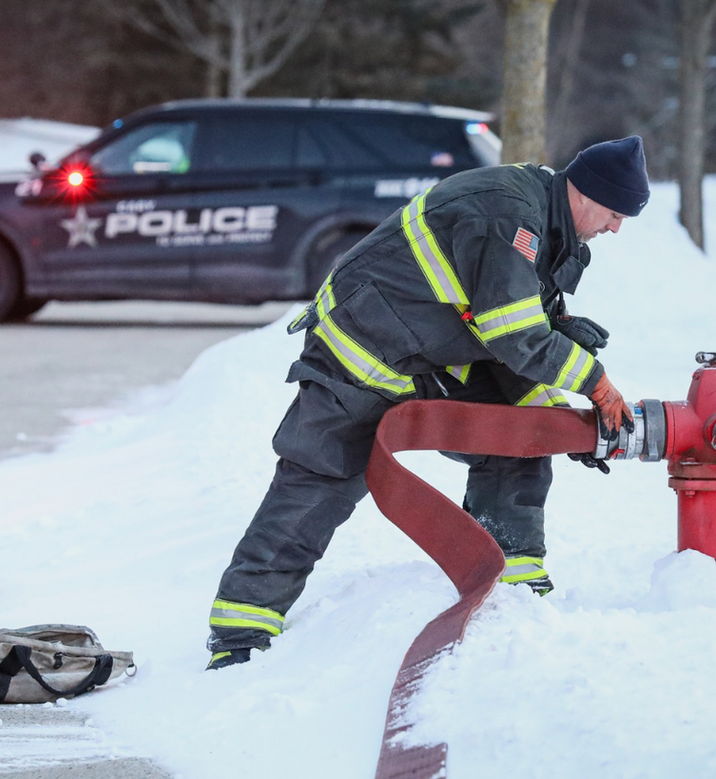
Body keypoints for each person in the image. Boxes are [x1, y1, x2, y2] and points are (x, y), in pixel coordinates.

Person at [206, 136, 650, 670]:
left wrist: (562, 423)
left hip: (435, 351)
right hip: (364, 346)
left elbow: (510, 330)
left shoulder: (545, 220)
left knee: (521, 431)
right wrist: (597, 384)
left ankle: (514, 587)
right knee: (320, 477)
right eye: (616, 212)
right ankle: (241, 629)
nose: (617, 227)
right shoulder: (509, 214)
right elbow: (513, 332)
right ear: (588, 192)